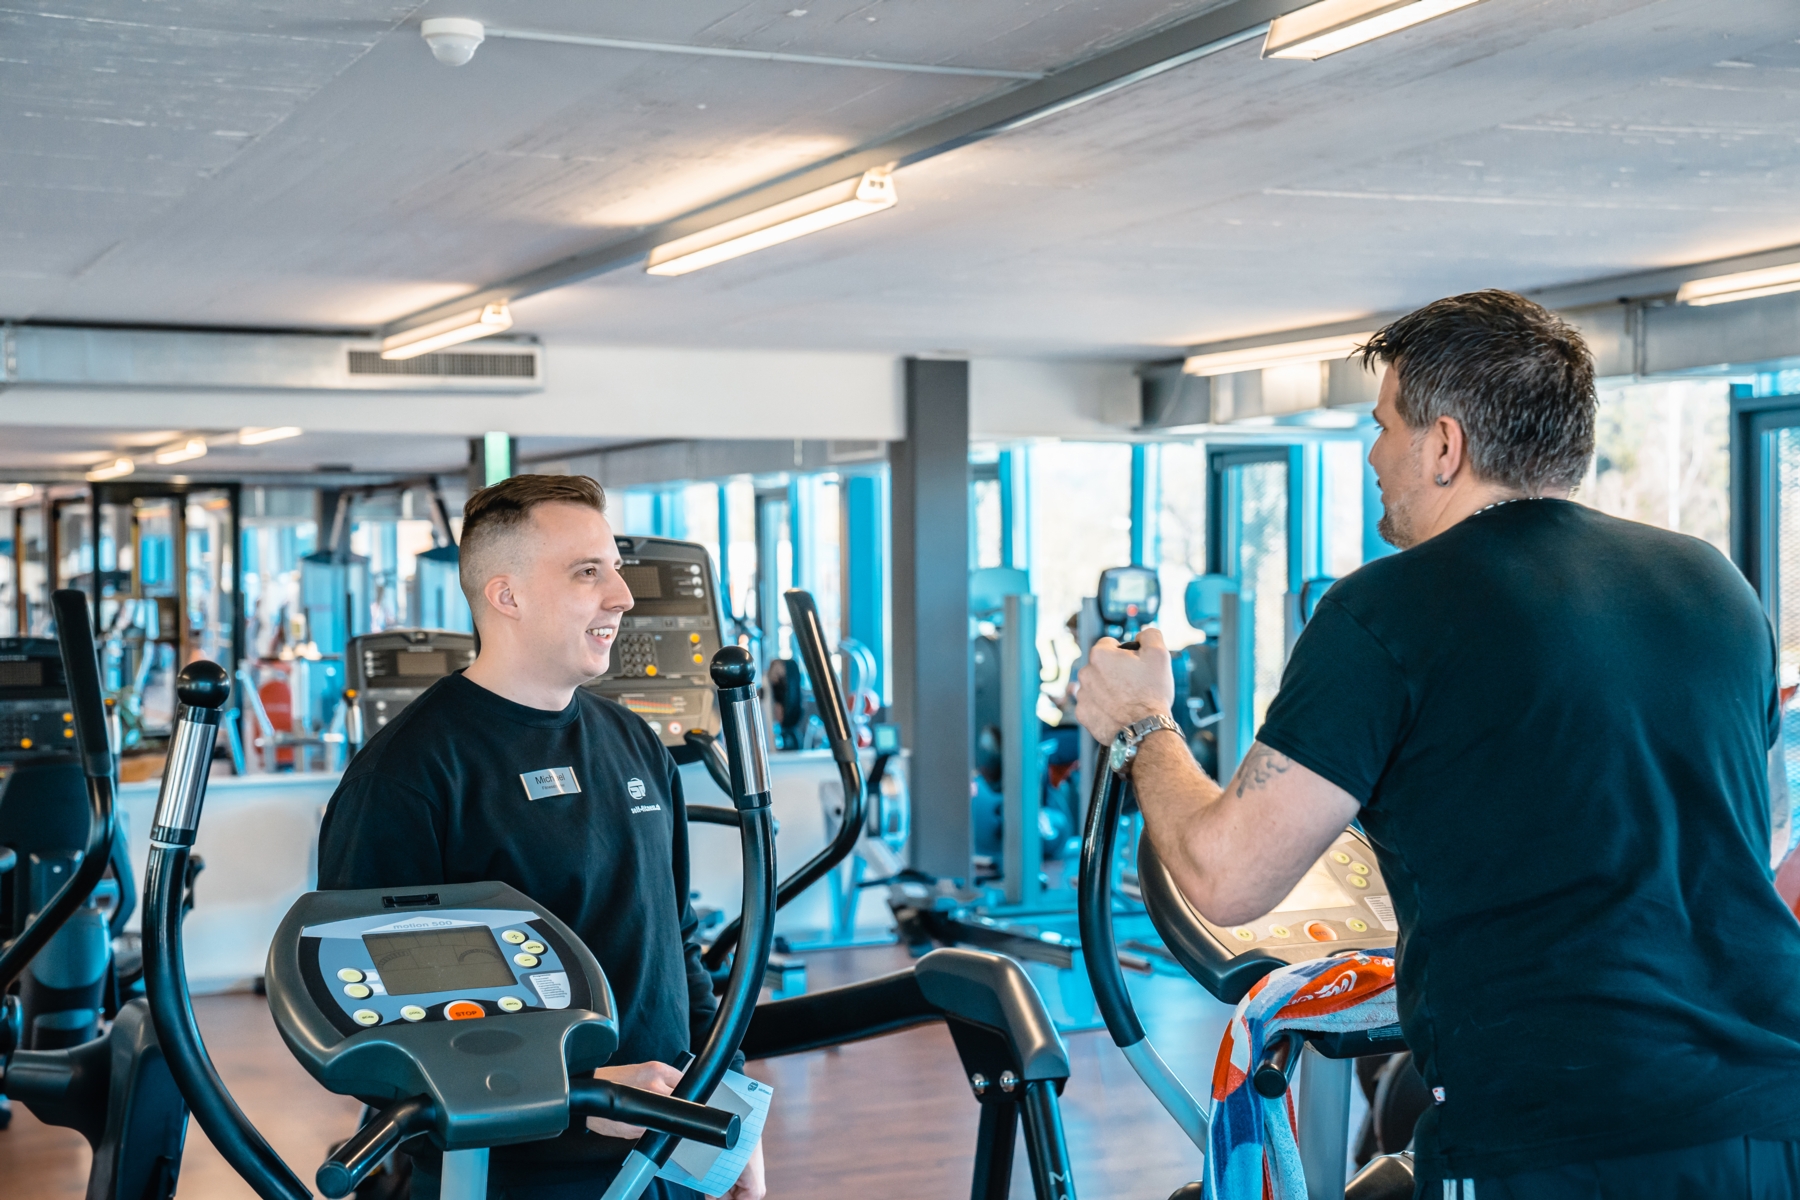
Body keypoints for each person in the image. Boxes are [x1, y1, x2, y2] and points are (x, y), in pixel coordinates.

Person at [1075, 290, 1800, 1198]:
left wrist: (1143, 725)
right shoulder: (1716, 584)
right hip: (1772, 1111)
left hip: (1557, 1137)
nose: (1373, 455)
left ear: (1446, 445)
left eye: (1384, 426)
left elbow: (1228, 877)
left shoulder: (1386, 609)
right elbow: (1726, 830)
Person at [317, 473, 764, 1200]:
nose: (621, 595)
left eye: (615, 568)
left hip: (665, 1155)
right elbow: (373, 1035)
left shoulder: (633, 744)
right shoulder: (406, 778)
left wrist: (732, 1113)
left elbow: (676, 947)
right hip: (510, 1174)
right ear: (507, 595)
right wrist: (587, 1092)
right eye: (589, 572)